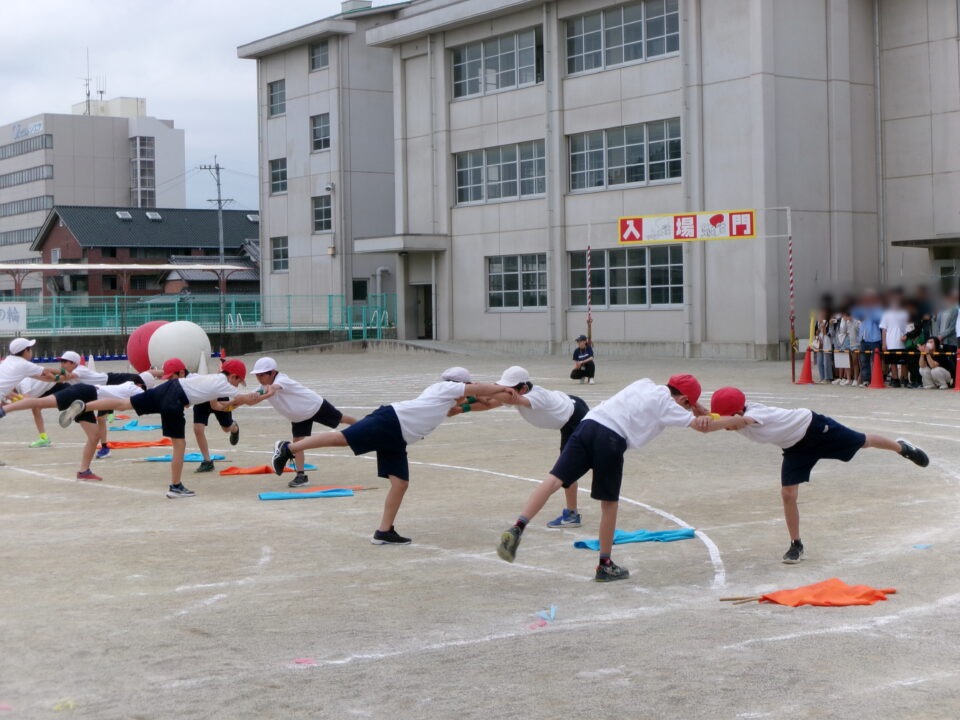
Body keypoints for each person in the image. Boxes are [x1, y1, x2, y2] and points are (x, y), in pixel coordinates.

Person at [496, 374, 710, 582]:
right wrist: (727, 420)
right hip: (611, 437)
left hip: (588, 424)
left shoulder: (644, 383)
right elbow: (703, 427)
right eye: (687, 405)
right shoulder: (668, 405)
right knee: (609, 503)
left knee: (554, 479)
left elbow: (680, 401)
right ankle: (605, 564)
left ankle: (518, 526)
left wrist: (694, 406)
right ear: (684, 399)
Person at [268, 367, 511, 545]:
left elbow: (480, 402)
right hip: (390, 421)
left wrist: (501, 398)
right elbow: (478, 390)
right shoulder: (444, 388)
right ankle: (288, 448)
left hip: (398, 436)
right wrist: (502, 388)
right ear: (461, 384)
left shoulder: (446, 401)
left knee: (400, 483)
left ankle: (384, 532)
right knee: (342, 439)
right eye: (466, 387)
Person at [706, 386, 929, 564]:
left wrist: (712, 422)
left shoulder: (753, 415)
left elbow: (741, 421)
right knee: (788, 494)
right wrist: (695, 409)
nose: (725, 427)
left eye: (725, 421)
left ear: (737, 413)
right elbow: (707, 419)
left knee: (863, 441)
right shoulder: (735, 417)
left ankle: (903, 448)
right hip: (795, 448)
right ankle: (796, 544)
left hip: (815, 428)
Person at [59, 358, 259, 498]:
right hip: (175, 399)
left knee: (124, 403)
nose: (238, 385)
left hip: (167, 389)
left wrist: (238, 400)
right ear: (233, 376)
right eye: (238, 381)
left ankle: (84, 407)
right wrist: (267, 392)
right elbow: (247, 399)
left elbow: (220, 404)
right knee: (179, 444)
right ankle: (175, 487)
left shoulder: (211, 378)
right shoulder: (225, 385)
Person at [448, 365, 590, 528]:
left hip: (575, 418)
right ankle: (572, 514)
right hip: (569, 410)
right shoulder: (517, 392)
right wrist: (461, 409)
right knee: (567, 467)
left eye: (508, 388)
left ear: (523, 388)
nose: (505, 391)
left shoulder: (535, 396)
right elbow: (489, 404)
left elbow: (509, 399)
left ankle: (572, 515)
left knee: (565, 469)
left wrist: (478, 391)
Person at [0, 379, 149, 481]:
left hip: (88, 399)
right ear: (142, 385)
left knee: (94, 436)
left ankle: (84, 471)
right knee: (40, 402)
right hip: (85, 393)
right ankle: (4, 410)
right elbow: (149, 399)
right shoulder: (136, 390)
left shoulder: (128, 386)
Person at [249, 356, 357, 487]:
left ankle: (364, 427)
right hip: (299, 416)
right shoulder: (263, 387)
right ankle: (301, 476)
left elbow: (273, 389)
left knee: (341, 419)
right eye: (257, 375)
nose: (259, 378)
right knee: (298, 443)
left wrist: (262, 394)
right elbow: (251, 399)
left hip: (315, 406)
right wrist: (235, 402)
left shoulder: (281, 380)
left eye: (262, 375)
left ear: (272, 372)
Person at [852, 289, 883, 386]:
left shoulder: (878, 308)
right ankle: (866, 380)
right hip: (863, 338)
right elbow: (855, 314)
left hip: (874, 338)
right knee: (864, 361)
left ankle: (875, 379)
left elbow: (879, 319)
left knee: (875, 361)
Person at [880, 289, 909, 387]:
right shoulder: (886, 314)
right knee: (892, 362)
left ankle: (904, 378)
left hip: (903, 342)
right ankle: (895, 379)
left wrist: (907, 336)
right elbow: (884, 329)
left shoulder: (905, 313)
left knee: (904, 362)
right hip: (891, 342)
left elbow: (909, 326)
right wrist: (884, 343)